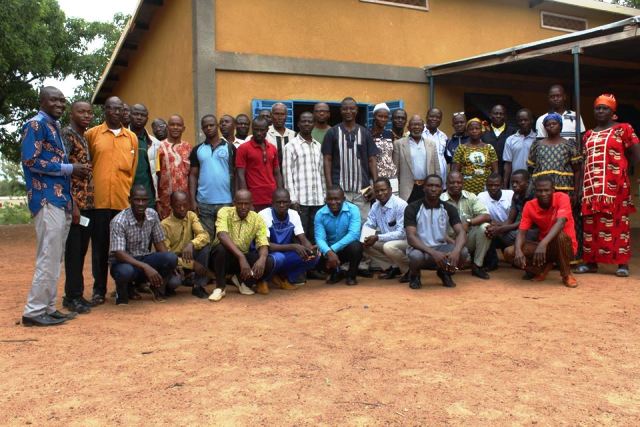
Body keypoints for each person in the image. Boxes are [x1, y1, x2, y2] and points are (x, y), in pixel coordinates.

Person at [20, 87, 90, 326]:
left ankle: (48, 307)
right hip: (45, 198)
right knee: (47, 256)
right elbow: (30, 160)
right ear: (42, 101)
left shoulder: (54, 127)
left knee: (55, 257)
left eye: (62, 100)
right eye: (54, 100)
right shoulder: (35, 125)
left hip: (60, 200)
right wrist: (70, 168)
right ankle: (34, 311)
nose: (60, 104)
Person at [575, 94, 640, 277]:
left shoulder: (623, 129)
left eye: (605, 108)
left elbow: (636, 153)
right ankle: (591, 263)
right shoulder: (588, 134)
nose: (601, 111)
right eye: (598, 108)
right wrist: (580, 188)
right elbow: (584, 161)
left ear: (613, 112)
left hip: (616, 188)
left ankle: (622, 264)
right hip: (591, 189)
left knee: (618, 225)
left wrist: (622, 171)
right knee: (591, 226)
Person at [86, 96, 138, 305]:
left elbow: (132, 170)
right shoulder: (92, 134)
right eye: (111, 108)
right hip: (98, 203)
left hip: (122, 202)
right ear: (105, 110)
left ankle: (124, 288)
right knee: (100, 248)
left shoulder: (131, 138)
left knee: (124, 249)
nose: (116, 112)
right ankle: (99, 290)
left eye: (119, 109)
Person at [109, 185, 178, 304]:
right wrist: (145, 267)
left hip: (144, 258)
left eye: (144, 200)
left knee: (171, 258)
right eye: (137, 200)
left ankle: (157, 288)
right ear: (130, 200)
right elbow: (119, 254)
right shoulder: (119, 221)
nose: (141, 204)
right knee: (125, 272)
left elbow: (159, 242)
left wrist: (171, 266)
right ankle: (123, 293)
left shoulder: (152, 215)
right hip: (124, 263)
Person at [508, 176, 578, 288]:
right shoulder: (529, 205)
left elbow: (561, 222)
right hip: (544, 248)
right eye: (539, 191)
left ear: (553, 190)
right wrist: (518, 251)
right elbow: (521, 232)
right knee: (510, 252)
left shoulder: (562, 197)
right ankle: (539, 270)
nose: (543, 194)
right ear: (535, 192)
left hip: (565, 247)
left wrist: (543, 243)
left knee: (560, 236)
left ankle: (566, 275)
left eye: (546, 190)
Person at [404, 175, 469, 289]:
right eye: (430, 185)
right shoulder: (412, 208)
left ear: (442, 188)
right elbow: (411, 238)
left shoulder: (449, 208)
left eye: (437, 186)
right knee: (415, 256)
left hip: (441, 248)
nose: (433, 189)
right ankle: (415, 275)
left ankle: (445, 273)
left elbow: (461, 232)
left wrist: (456, 251)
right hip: (421, 249)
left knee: (463, 252)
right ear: (424, 188)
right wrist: (433, 253)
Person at [209, 190, 273, 301]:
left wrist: (262, 259)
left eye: (246, 204)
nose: (243, 207)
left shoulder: (257, 219)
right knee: (220, 249)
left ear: (251, 204)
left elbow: (263, 242)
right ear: (234, 203)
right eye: (240, 203)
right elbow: (222, 235)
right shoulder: (224, 212)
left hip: (240, 261)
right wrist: (241, 257)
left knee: (268, 261)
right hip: (220, 259)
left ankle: (243, 282)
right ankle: (220, 287)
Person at [62, 100, 95, 314]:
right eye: (81, 112)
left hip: (87, 204)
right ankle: (72, 297)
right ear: (71, 114)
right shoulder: (67, 135)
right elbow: (62, 169)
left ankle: (77, 294)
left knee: (81, 251)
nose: (86, 115)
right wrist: (72, 202)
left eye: (89, 112)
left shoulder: (84, 136)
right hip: (74, 204)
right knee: (73, 252)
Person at [322, 97, 378, 221]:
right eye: (345, 109)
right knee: (341, 222)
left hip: (364, 189)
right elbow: (327, 160)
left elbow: (372, 160)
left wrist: (375, 185)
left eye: (352, 108)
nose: (348, 111)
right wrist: (330, 187)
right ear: (340, 111)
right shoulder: (332, 133)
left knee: (364, 222)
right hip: (340, 189)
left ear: (357, 110)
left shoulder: (365, 133)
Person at [259, 188, 319, 290]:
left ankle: (285, 278)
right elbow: (266, 245)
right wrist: (293, 246)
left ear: (289, 203)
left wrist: (311, 249)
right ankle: (264, 279)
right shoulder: (264, 215)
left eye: (285, 202)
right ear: (272, 203)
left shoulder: (293, 214)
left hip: (284, 253)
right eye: (278, 202)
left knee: (314, 257)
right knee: (279, 258)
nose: (282, 205)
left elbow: (302, 238)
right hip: (268, 254)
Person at [189, 114, 236, 238]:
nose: (209, 128)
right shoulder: (197, 149)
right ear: (202, 129)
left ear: (218, 126)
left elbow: (236, 174)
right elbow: (193, 175)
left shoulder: (230, 148)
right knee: (205, 239)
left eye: (211, 125)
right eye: (205, 126)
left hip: (226, 202)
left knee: (225, 240)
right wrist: (193, 200)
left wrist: (235, 198)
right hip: (203, 203)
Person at [440, 172, 492, 279]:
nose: (456, 185)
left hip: (467, 239)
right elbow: (435, 229)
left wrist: (468, 222)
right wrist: (455, 245)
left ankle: (477, 266)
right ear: (446, 184)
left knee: (485, 227)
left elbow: (486, 216)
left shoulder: (471, 197)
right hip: (447, 241)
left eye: (459, 182)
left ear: (463, 183)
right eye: (452, 182)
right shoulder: (440, 200)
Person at [283, 111, 325, 242]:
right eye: (304, 121)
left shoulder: (318, 146)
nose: (307, 124)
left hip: (318, 200)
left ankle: (315, 256)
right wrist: (292, 200)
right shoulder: (290, 146)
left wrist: (324, 196)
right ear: (298, 124)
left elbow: (322, 173)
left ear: (314, 124)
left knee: (316, 236)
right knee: (300, 236)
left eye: (310, 121)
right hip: (300, 201)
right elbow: (287, 174)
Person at [161, 191, 211, 299]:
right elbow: (166, 255)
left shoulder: (191, 216)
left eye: (185, 205)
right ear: (171, 206)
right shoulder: (164, 225)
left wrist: (191, 244)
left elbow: (204, 236)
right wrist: (192, 265)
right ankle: (173, 284)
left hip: (188, 254)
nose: (182, 209)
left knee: (204, 247)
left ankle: (198, 286)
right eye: (178, 206)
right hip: (174, 261)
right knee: (174, 283)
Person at [484, 170, 533, 270]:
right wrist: (496, 227)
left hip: (531, 232)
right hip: (520, 230)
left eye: (517, 182)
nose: (514, 185)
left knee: (497, 233)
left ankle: (523, 261)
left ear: (527, 183)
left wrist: (500, 229)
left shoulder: (532, 197)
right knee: (490, 230)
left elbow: (524, 223)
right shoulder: (516, 195)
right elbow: (510, 220)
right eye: (513, 182)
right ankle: (492, 262)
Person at [362, 178, 409, 281]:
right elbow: (369, 224)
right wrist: (365, 238)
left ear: (391, 190)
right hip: (389, 241)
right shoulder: (375, 206)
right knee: (363, 243)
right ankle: (393, 267)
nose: (380, 193)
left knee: (388, 247)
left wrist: (377, 237)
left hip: (406, 242)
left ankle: (409, 271)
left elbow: (401, 233)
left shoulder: (401, 205)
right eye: (377, 191)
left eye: (383, 190)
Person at [315, 186, 363, 286]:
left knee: (356, 246)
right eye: (330, 199)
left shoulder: (353, 209)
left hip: (346, 248)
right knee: (316, 255)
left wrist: (332, 249)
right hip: (328, 251)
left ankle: (351, 275)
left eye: (336, 199)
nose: (333, 202)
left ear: (344, 199)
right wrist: (328, 252)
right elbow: (319, 239)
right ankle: (335, 273)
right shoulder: (320, 214)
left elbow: (354, 234)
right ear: (325, 200)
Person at [527, 113, 581, 199]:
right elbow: (531, 168)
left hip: (564, 189)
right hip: (541, 191)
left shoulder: (569, 145)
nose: (551, 126)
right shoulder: (537, 145)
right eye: (548, 125)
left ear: (560, 126)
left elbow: (577, 170)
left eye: (554, 123)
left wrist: (576, 192)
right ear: (545, 128)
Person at [237, 117, 284, 212]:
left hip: (272, 197)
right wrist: (246, 200)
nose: (259, 133)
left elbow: (277, 173)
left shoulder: (273, 148)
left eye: (262, 130)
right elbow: (240, 175)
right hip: (254, 198)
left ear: (267, 130)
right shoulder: (243, 148)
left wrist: (280, 195)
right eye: (256, 130)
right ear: (252, 129)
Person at [393, 115, 440, 203]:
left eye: (419, 125)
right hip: (407, 190)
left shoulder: (431, 144)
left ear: (423, 127)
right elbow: (395, 171)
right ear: (408, 128)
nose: (417, 127)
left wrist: (437, 187)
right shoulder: (398, 144)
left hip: (427, 188)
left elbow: (437, 169)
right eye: (414, 125)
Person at [156, 114, 192, 219]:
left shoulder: (188, 148)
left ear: (183, 128)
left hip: (184, 203)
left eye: (178, 125)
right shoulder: (159, 147)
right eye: (172, 125)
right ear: (167, 127)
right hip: (165, 202)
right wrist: (157, 201)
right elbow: (155, 176)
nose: (175, 127)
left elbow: (192, 176)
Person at [452, 118, 498, 194]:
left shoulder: (489, 148)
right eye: (471, 129)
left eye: (477, 128)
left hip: (486, 189)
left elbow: (495, 171)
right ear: (467, 131)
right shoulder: (461, 148)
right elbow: (456, 171)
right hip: (466, 188)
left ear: (481, 130)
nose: (474, 131)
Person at [478, 173, 513, 270]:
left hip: (510, 229)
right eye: (490, 185)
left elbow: (514, 218)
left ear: (502, 185)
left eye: (496, 185)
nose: (493, 188)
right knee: (486, 229)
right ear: (486, 186)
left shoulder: (510, 194)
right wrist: (497, 227)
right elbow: (485, 217)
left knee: (513, 260)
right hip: (493, 230)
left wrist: (501, 227)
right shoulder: (481, 196)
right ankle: (492, 262)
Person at [130, 104, 159, 208]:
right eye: (136, 114)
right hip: (126, 194)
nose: (139, 117)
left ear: (147, 119)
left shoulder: (155, 143)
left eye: (142, 115)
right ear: (130, 115)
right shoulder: (122, 138)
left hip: (148, 196)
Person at [503, 108, 536, 188]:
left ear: (531, 121)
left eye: (526, 120)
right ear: (517, 122)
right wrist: (505, 185)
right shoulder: (510, 140)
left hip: (533, 181)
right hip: (515, 183)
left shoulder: (537, 139)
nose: (523, 122)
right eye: (520, 120)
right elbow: (508, 164)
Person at [482, 104, 517, 177]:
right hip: (487, 174)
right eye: (496, 113)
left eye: (501, 114)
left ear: (505, 116)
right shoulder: (483, 132)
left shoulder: (513, 132)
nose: (498, 116)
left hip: (507, 173)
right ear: (490, 115)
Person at [422, 108, 448, 185]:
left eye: (438, 117)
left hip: (441, 181)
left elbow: (445, 156)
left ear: (441, 120)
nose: (434, 119)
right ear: (426, 117)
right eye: (432, 116)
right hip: (424, 181)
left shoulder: (443, 136)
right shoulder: (418, 133)